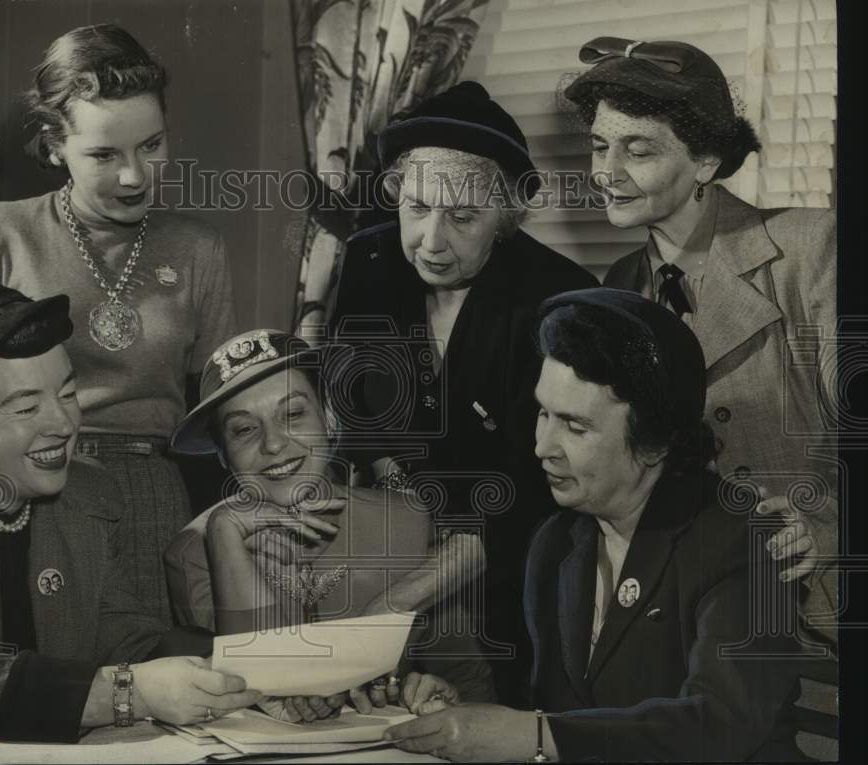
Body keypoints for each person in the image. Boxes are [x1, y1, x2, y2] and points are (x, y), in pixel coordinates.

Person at [384, 288, 803, 762]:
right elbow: (556, 714)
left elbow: (719, 726)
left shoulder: (745, 540)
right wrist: (468, 716)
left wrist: (534, 735)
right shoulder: (556, 543)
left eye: (575, 427)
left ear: (655, 442)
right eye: (542, 413)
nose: (543, 445)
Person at [0, 24, 237, 624]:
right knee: (56, 687)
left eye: (151, 145)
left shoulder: (199, 248)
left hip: (158, 497)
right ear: (54, 146)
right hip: (36, 487)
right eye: (103, 155)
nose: (134, 176)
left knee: (162, 683)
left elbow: (225, 411)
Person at [0, 282, 260, 743]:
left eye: (68, 394)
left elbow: (122, 635)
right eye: (27, 406)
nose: (62, 424)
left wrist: (238, 673)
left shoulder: (88, 494)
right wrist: (127, 694)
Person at [564, 37, 837, 649]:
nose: (606, 174)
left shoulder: (811, 249)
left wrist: (828, 525)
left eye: (639, 150)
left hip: (821, 618)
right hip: (696, 628)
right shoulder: (620, 291)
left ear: (707, 161)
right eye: (600, 146)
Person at [329, 81, 598, 704]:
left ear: (506, 217)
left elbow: (535, 489)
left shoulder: (557, 299)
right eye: (417, 207)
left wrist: (399, 600)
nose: (430, 239)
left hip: (509, 583)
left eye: (463, 217)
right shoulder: (369, 262)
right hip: (389, 548)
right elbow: (355, 418)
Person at [166, 329, 495, 722]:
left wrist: (438, 696)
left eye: (293, 414)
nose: (273, 444)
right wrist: (225, 531)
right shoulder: (194, 552)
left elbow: (471, 687)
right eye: (244, 429)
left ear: (330, 417)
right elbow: (253, 679)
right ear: (222, 454)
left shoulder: (405, 524)